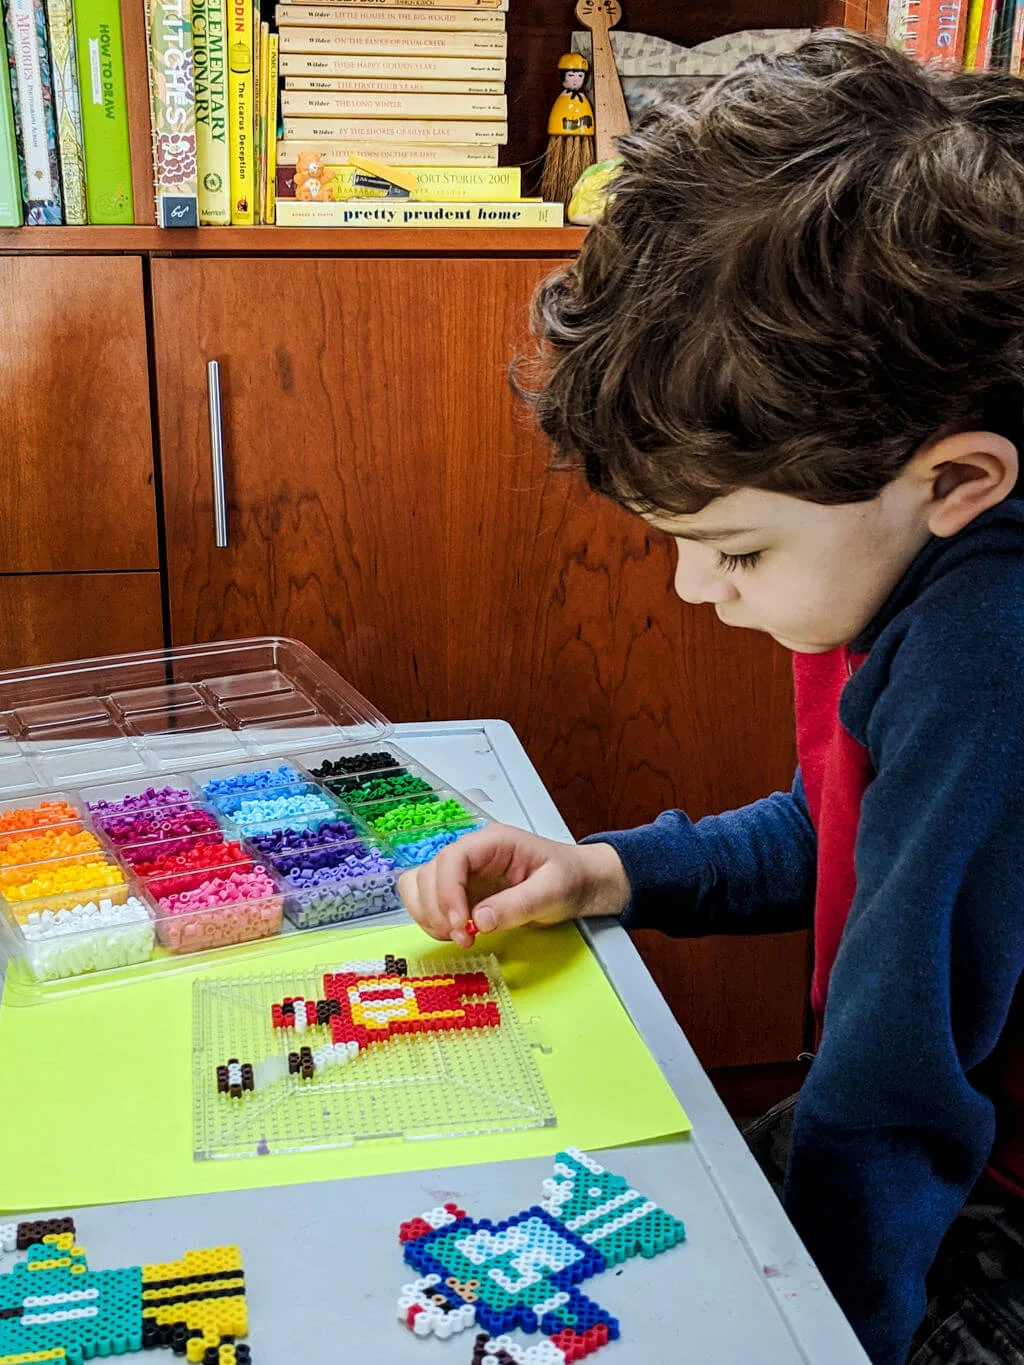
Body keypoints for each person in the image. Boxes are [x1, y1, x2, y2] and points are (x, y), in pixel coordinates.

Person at [397, 30, 1024, 1365]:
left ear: (957, 478)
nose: (698, 593)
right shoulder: (900, 547)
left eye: (735, 551)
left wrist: (808, 1336)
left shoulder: (991, 648)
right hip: (911, 1124)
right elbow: (846, 832)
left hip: (980, 1187)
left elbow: (899, 1080)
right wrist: (612, 871)